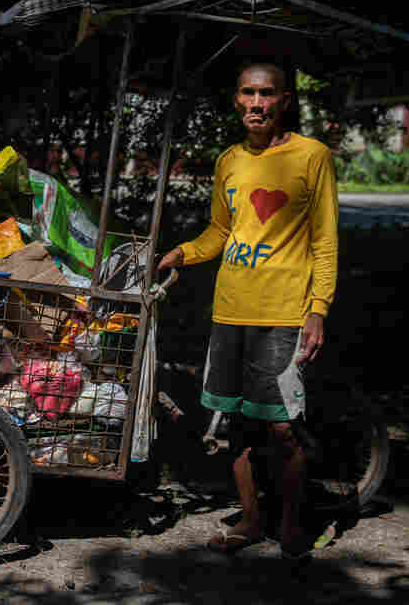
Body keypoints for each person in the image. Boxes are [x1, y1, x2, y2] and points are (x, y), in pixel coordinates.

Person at [156, 61, 338, 559]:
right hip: (231, 310)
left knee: (283, 427)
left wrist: (317, 309)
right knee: (234, 424)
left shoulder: (312, 156)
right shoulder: (229, 161)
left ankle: (293, 525)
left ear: (283, 101)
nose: (257, 103)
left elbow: (325, 241)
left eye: (267, 94)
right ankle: (252, 522)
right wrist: (185, 253)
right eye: (248, 93)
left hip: (284, 314)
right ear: (236, 100)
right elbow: (220, 231)